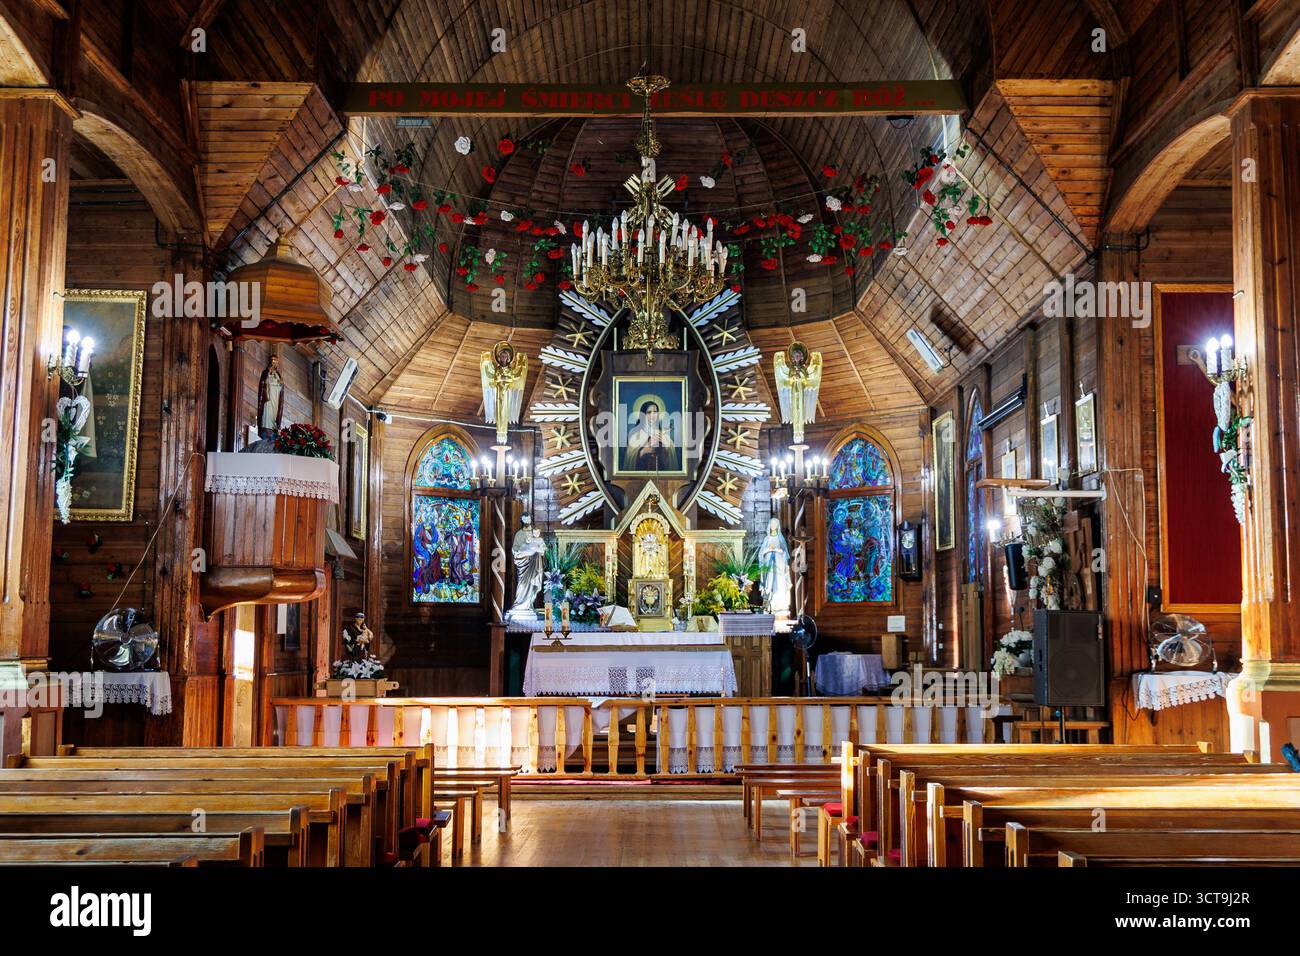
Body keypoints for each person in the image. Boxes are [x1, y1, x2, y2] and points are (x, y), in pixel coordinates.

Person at [507, 517, 546, 621]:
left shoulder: (536, 535)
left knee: (532, 584)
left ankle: (529, 605)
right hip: (523, 563)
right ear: (522, 522)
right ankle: (520, 604)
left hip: (534, 564)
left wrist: (536, 550)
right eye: (525, 521)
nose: (527, 523)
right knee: (523, 584)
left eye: (528, 521)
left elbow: (542, 549)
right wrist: (524, 552)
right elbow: (515, 549)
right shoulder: (519, 534)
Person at [623, 400, 678, 472]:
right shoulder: (635, 436)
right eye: (648, 412)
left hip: (662, 476)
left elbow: (671, 457)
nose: (652, 415)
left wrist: (667, 445)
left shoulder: (663, 436)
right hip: (640, 476)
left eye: (655, 412)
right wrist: (643, 451)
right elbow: (629, 458)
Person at [759, 517, 792, 619]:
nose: (773, 526)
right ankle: (769, 604)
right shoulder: (767, 539)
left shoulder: (780, 538)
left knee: (779, 582)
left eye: (775, 524)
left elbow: (785, 553)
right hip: (769, 566)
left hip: (779, 565)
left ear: (778, 526)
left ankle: (779, 605)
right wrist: (768, 549)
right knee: (769, 582)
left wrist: (777, 549)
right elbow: (761, 553)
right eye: (772, 524)